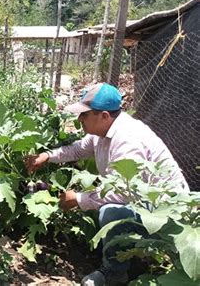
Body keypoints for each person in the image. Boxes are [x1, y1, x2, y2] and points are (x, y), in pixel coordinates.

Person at [24, 83, 190, 285]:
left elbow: (122, 193)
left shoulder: (128, 140)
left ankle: (114, 273)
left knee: (110, 212)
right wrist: (46, 156)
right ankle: (131, 258)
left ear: (104, 115)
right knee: (101, 205)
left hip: (166, 213)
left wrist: (78, 199)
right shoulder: (103, 132)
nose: (79, 119)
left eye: (85, 114)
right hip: (142, 204)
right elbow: (77, 150)